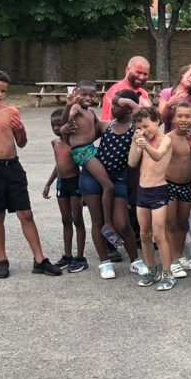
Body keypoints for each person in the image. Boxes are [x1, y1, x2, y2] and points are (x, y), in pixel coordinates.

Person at [0, 69, 61, 278]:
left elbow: (22, 143)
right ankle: (2, 260)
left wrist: (21, 130)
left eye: (3, 91)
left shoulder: (11, 112)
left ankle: (40, 260)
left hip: (12, 167)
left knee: (26, 214)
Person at [79, 89, 144, 279]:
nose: (112, 107)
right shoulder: (105, 126)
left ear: (129, 108)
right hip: (93, 176)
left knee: (122, 223)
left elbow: (150, 118)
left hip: (118, 178)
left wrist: (131, 103)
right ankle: (105, 263)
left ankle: (135, 261)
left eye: (117, 104)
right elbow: (80, 138)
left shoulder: (136, 127)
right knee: (98, 221)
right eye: (112, 104)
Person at [62, 81, 122, 248]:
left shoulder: (90, 112)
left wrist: (120, 125)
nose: (88, 98)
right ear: (75, 94)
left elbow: (100, 126)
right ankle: (108, 225)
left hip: (90, 148)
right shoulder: (76, 108)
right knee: (108, 186)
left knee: (104, 179)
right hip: (82, 151)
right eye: (83, 94)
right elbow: (66, 120)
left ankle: (86, 198)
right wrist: (68, 107)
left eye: (91, 95)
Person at [128, 107, 175, 290]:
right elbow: (132, 162)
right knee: (144, 234)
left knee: (159, 235)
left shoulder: (165, 140)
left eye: (146, 126)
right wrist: (135, 142)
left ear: (157, 122)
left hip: (159, 190)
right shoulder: (141, 140)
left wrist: (145, 145)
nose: (144, 130)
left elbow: (157, 156)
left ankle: (167, 273)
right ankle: (151, 270)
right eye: (139, 127)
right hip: (142, 191)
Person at [42, 110, 87, 273]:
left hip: (75, 183)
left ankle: (80, 257)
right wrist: (48, 183)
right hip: (62, 184)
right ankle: (67, 255)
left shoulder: (75, 143)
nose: (56, 128)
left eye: (59, 125)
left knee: (77, 220)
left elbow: (85, 165)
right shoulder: (55, 143)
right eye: (53, 125)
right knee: (66, 220)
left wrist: (85, 190)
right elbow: (58, 165)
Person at [163, 102, 191, 279]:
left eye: (187, 116)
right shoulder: (167, 138)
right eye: (180, 116)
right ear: (173, 119)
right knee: (170, 223)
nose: (183, 119)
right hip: (169, 184)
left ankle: (178, 256)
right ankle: (172, 260)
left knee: (182, 223)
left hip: (187, 185)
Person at [100, 56, 152, 120]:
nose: (141, 77)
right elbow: (107, 122)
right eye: (138, 72)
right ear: (128, 70)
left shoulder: (143, 93)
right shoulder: (115, 92)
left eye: (145, 74)